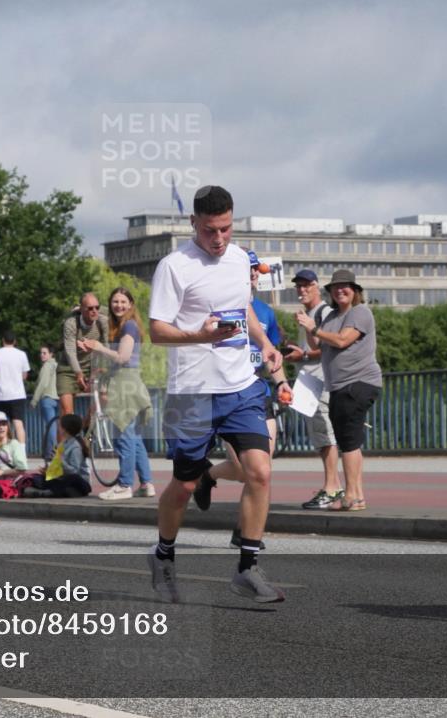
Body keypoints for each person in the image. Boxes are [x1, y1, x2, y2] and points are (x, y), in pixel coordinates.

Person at [147, 185, 289, 604]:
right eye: (210, 230)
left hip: (240, 385)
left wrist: (264, 342)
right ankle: (163, 554)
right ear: (193, 223)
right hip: (192, 392)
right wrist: (200, 336)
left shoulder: (241, 259)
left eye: (226, 228)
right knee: (185, 484)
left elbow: (243, 309)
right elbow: (157, 331)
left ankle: (247, 568)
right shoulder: (174, 266)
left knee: (260, 471)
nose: (219, 238)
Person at [192, 250, 288, 547]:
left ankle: (244, 531)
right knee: (247, 470)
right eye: (248, 269)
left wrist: (282, 383)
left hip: (259, 393)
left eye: (256, 270)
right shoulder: (217, 305)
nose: (253, 274)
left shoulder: (266, 312)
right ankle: (207, 475)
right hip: (228, 395)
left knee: (261, 470)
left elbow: (271, 354)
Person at [296, 269, 382, 512]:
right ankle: (357, 495)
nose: (340, 290)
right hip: (338, 386)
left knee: (349, 441)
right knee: (348, 440)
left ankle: (352, 496)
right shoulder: (332, 316)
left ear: (354, 291)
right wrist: (308, 327)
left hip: (357, 382)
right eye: (335, 287)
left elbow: (343, 340)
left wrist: (314, 328)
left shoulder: (360, 312)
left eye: (345, 286)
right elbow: (318, 344)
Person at [79, 287, 155, 500]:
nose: (119, 305)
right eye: (115, 301)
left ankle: (124, 485)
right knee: (135, 438)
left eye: (123, 302)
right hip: (130, 381)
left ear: (130, 304)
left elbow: (122, 357)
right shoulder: (127, 324)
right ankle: (146, 483)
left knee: (124, 436)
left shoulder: (129, 326)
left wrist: (98, 347)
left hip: (124, 384)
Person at [282, 269, 342, 510]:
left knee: (326, 436)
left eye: (307, 285)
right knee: (321, 437)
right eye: (298, 285)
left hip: (320, 382)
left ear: (317, 286)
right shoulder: (308, 314)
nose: (302, 289)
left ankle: (331, 488)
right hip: (311, 382)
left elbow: (330, 346)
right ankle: (333, 487)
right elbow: (312, 348)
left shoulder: (323, 312)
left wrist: (304, 355)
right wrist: (294, 349)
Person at [56, 293, 109, 422]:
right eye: (90, 308)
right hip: (69, 369)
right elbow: (70, 351)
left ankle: (86, 424)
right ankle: (65, 434)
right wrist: (78, 373)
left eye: (97, 307)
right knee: (67, 413)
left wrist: (100, 368)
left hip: (91, 367)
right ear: (81, 309)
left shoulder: (102, 321)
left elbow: (107, 347)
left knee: (105, 398)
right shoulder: (71, 323)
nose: (94, 311)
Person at [23, 413, 91, 498]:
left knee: (71, 479)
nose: (58, 428)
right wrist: (48, 471)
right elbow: (60, 469)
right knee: (37, 478)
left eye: (60, 426)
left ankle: (47, 492)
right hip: (64, 479)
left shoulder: (76, 447)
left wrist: (60, 459)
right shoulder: (64, 443)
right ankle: (50, 491)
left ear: (65, 429)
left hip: (79, 483)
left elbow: (74, 472)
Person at [0, 330, 30, 446]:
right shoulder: (22, 354)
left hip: (1, 395)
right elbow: (24, 375)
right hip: (17, 394)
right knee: (18, 423)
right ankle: (21, 450)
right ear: (15, 341)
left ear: (3, 340)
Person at [30, 344, 59, 463]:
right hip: (57, 399)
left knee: (51, 426)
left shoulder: (47, 366)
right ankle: (49, 452)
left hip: (47, 398)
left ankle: (51, 452)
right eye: (41, 353)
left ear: (51, 354)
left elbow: (43, 384)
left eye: (44, 353)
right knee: (54, 426)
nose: (41, 355)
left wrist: (34, 400)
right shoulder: (57, 365)